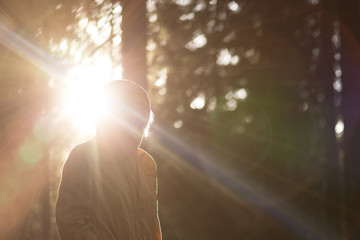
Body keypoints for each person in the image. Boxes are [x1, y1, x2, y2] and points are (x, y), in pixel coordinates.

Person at [55, 80, 162, 240]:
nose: (136, 132)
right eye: (129, 122)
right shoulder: (83, 156)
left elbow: (151, 224)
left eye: (141, 125)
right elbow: (72, 227)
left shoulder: (147, 163)